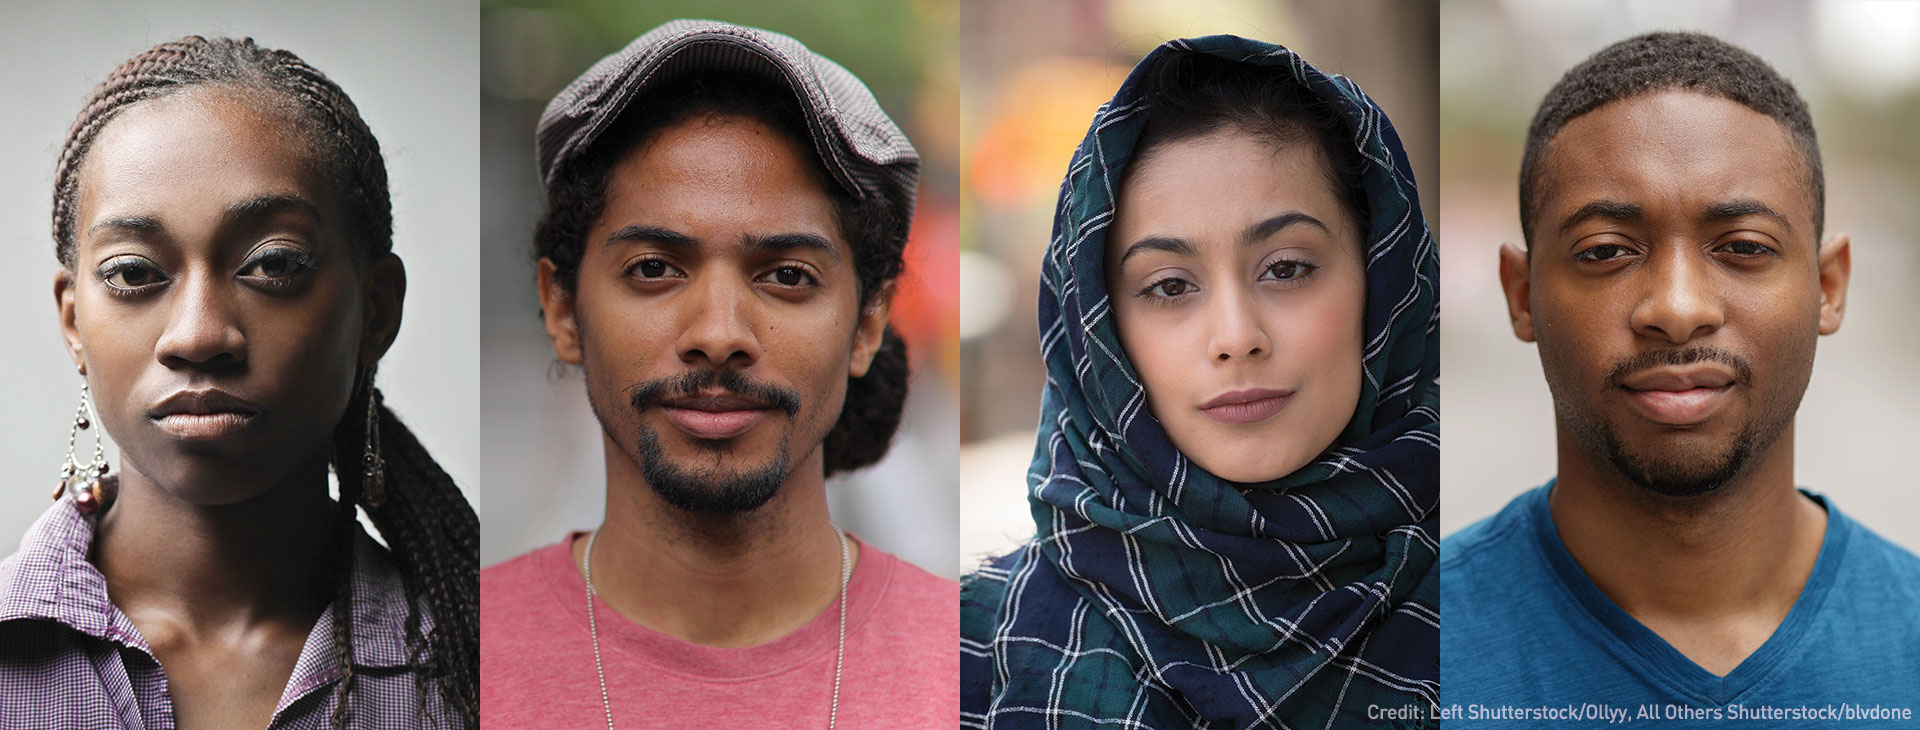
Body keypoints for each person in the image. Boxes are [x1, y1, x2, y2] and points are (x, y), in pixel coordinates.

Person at [479, 20, 957, 729]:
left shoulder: (980, 671)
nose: (718, 334)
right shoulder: (442, 666)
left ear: (868, 323)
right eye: (654, 269)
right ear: (562, 309)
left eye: (787, 276)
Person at [961, 36, 1440, 729]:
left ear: (1385, 281)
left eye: (1287, 268)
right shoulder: (978, 652)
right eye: (1169, 286)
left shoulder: (1505, 618)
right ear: (1101, 333)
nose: (1236, 336)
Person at [0, 36, 479, 729]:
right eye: (134, 273)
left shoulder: (477, 673)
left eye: (273, 264)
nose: (197, 335)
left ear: (377, 310)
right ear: (74, 321)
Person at [1442, 31, 1920, 723]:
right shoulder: (1400, 651)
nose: (1677, 308)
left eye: (1745, 247)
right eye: (1605, 250)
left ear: (1828, 286)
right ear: (1521, 294)